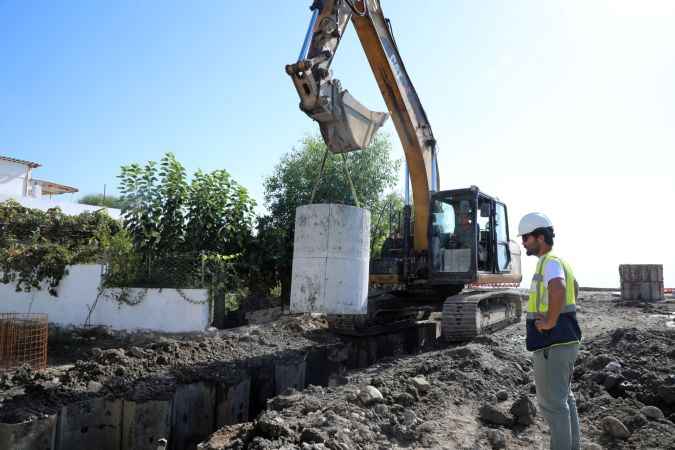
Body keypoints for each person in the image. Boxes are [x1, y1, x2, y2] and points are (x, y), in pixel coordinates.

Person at [518, 212, 582, 450]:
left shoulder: (550, 263)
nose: (523, 242)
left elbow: (559, 289)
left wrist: (549, 322)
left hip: (552, 343)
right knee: (564, 398)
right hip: (565, 341)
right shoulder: (559, 262)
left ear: (540, 237)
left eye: (526, 237)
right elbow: (574, 289)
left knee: (553, 404)